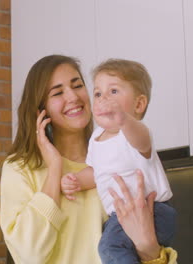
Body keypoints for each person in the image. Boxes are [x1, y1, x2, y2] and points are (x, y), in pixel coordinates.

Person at [0, 54, 178, 264]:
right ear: (41, 109)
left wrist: (148, 248)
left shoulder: (120, 157)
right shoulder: (20, 168)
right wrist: (55, 168)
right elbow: (29, 255)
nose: (73, 97)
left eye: (78, 86)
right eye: (58, 92)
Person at [60, 59, 177, 264]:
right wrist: (76, 180)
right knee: (113, 247)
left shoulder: (133, 133)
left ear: (138, 104)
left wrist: (124, 119)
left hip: (154, 211)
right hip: (122, 216)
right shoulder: (96, 139)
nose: (103, 98)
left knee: (109, 247)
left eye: (113, 92)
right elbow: (96, 173)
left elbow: (142, 139)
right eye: (98, 93)